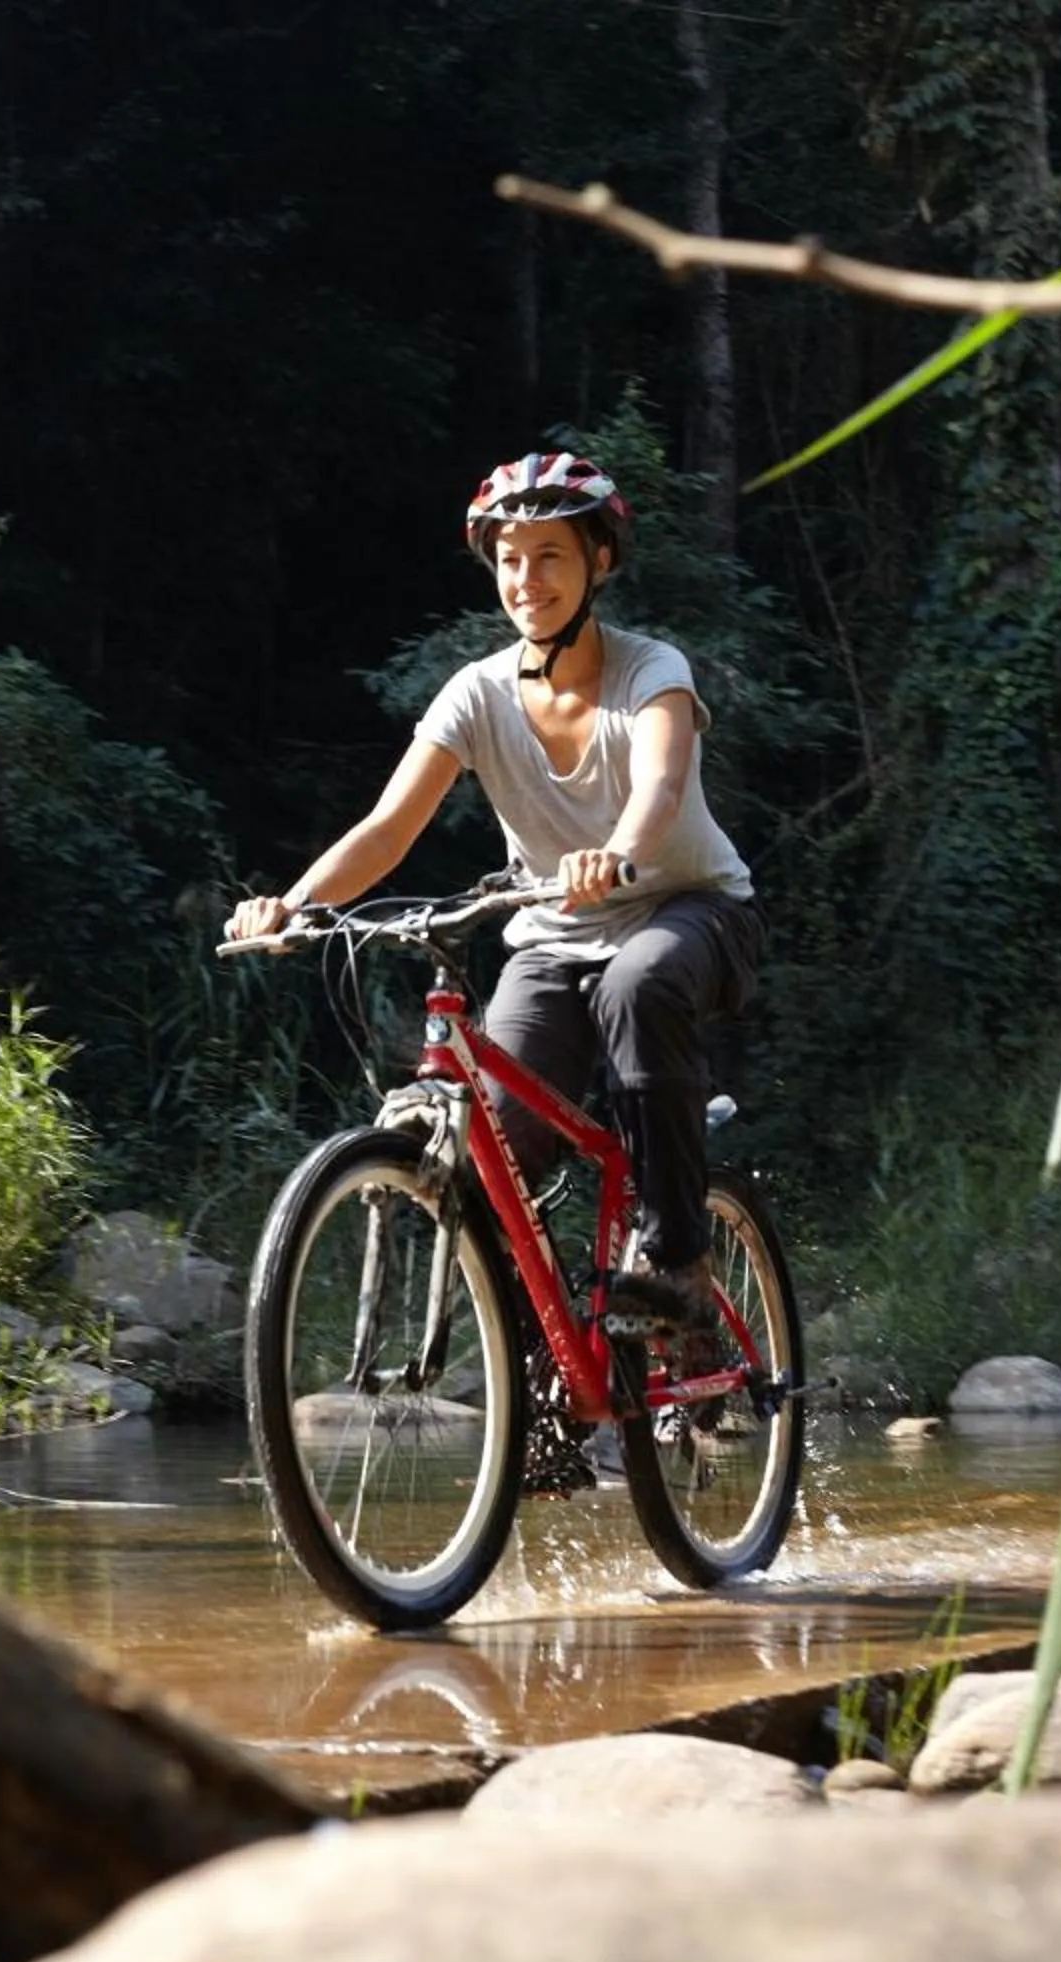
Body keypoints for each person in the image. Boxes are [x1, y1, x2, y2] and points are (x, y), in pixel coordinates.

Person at [224, 451, 762, 1328]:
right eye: (510, 559)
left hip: (689, 910)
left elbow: (661, 786)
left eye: (549, 555)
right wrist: (294, 903)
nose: (526, 579)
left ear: (600, 562)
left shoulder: (650, 669)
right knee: (492, 1147)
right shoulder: (475, 695)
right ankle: (540, 1377)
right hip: (552, 935)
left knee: (638, 983)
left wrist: (617, 852)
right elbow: (387, 829)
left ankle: (681, 1268)